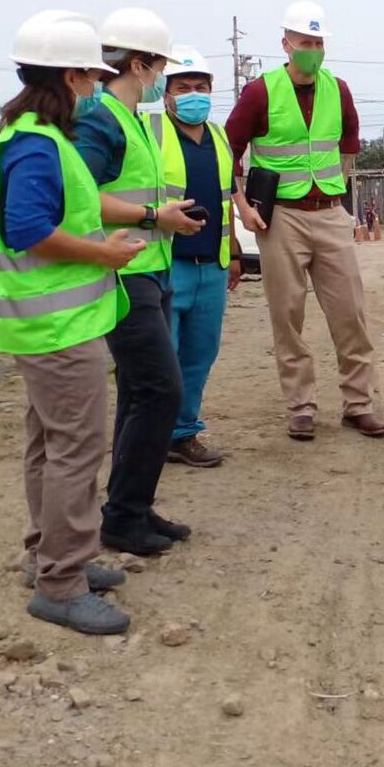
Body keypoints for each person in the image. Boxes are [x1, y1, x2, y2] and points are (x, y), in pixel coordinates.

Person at [0, 11, 142, 634]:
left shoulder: (32, 133)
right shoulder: (38, 142)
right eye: (92, 77)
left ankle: (45, 555)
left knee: (50, 445)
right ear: (70, 76)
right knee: (75, 450)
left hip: (46, 324)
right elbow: (27, 228)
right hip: (58, 330)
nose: (97, 87)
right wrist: (103, 254)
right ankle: (61, 582)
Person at [226, 1, 384, 441]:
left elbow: (349, 145)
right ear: (286, 44)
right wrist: (242, 206)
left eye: (318, 43)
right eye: (304, 42)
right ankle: (300, 407)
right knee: (287, 315)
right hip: (281, 219)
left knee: (351, 313)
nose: (312, 50)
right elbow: (229, 151)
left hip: (330, 213)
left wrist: (339, 192)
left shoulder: (339, 90)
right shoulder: (260, 92)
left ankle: (359, 404)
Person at [74, 8, 204, 556]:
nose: (161, 77)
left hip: (151, 268)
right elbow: (79, 195)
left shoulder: (132, 120)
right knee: (160, 389)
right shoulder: (100, 119)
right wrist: (153, 217)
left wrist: (165, 220)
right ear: (138, 64)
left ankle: (131, 507)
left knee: (138, 391)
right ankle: (124, 516)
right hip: (124, 273)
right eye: (159, 67)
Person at [145, 46, 241, 468]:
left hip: (211, 266)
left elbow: (226, 200)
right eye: (183, 87)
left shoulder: (220, 137)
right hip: (166, 263)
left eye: (200, 87)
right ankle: (149, 438)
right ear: (166, 93)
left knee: (199, 356)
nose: (193, 95)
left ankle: (183, 434)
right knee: (161, 360)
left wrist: (233, 254)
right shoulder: (150, 131)